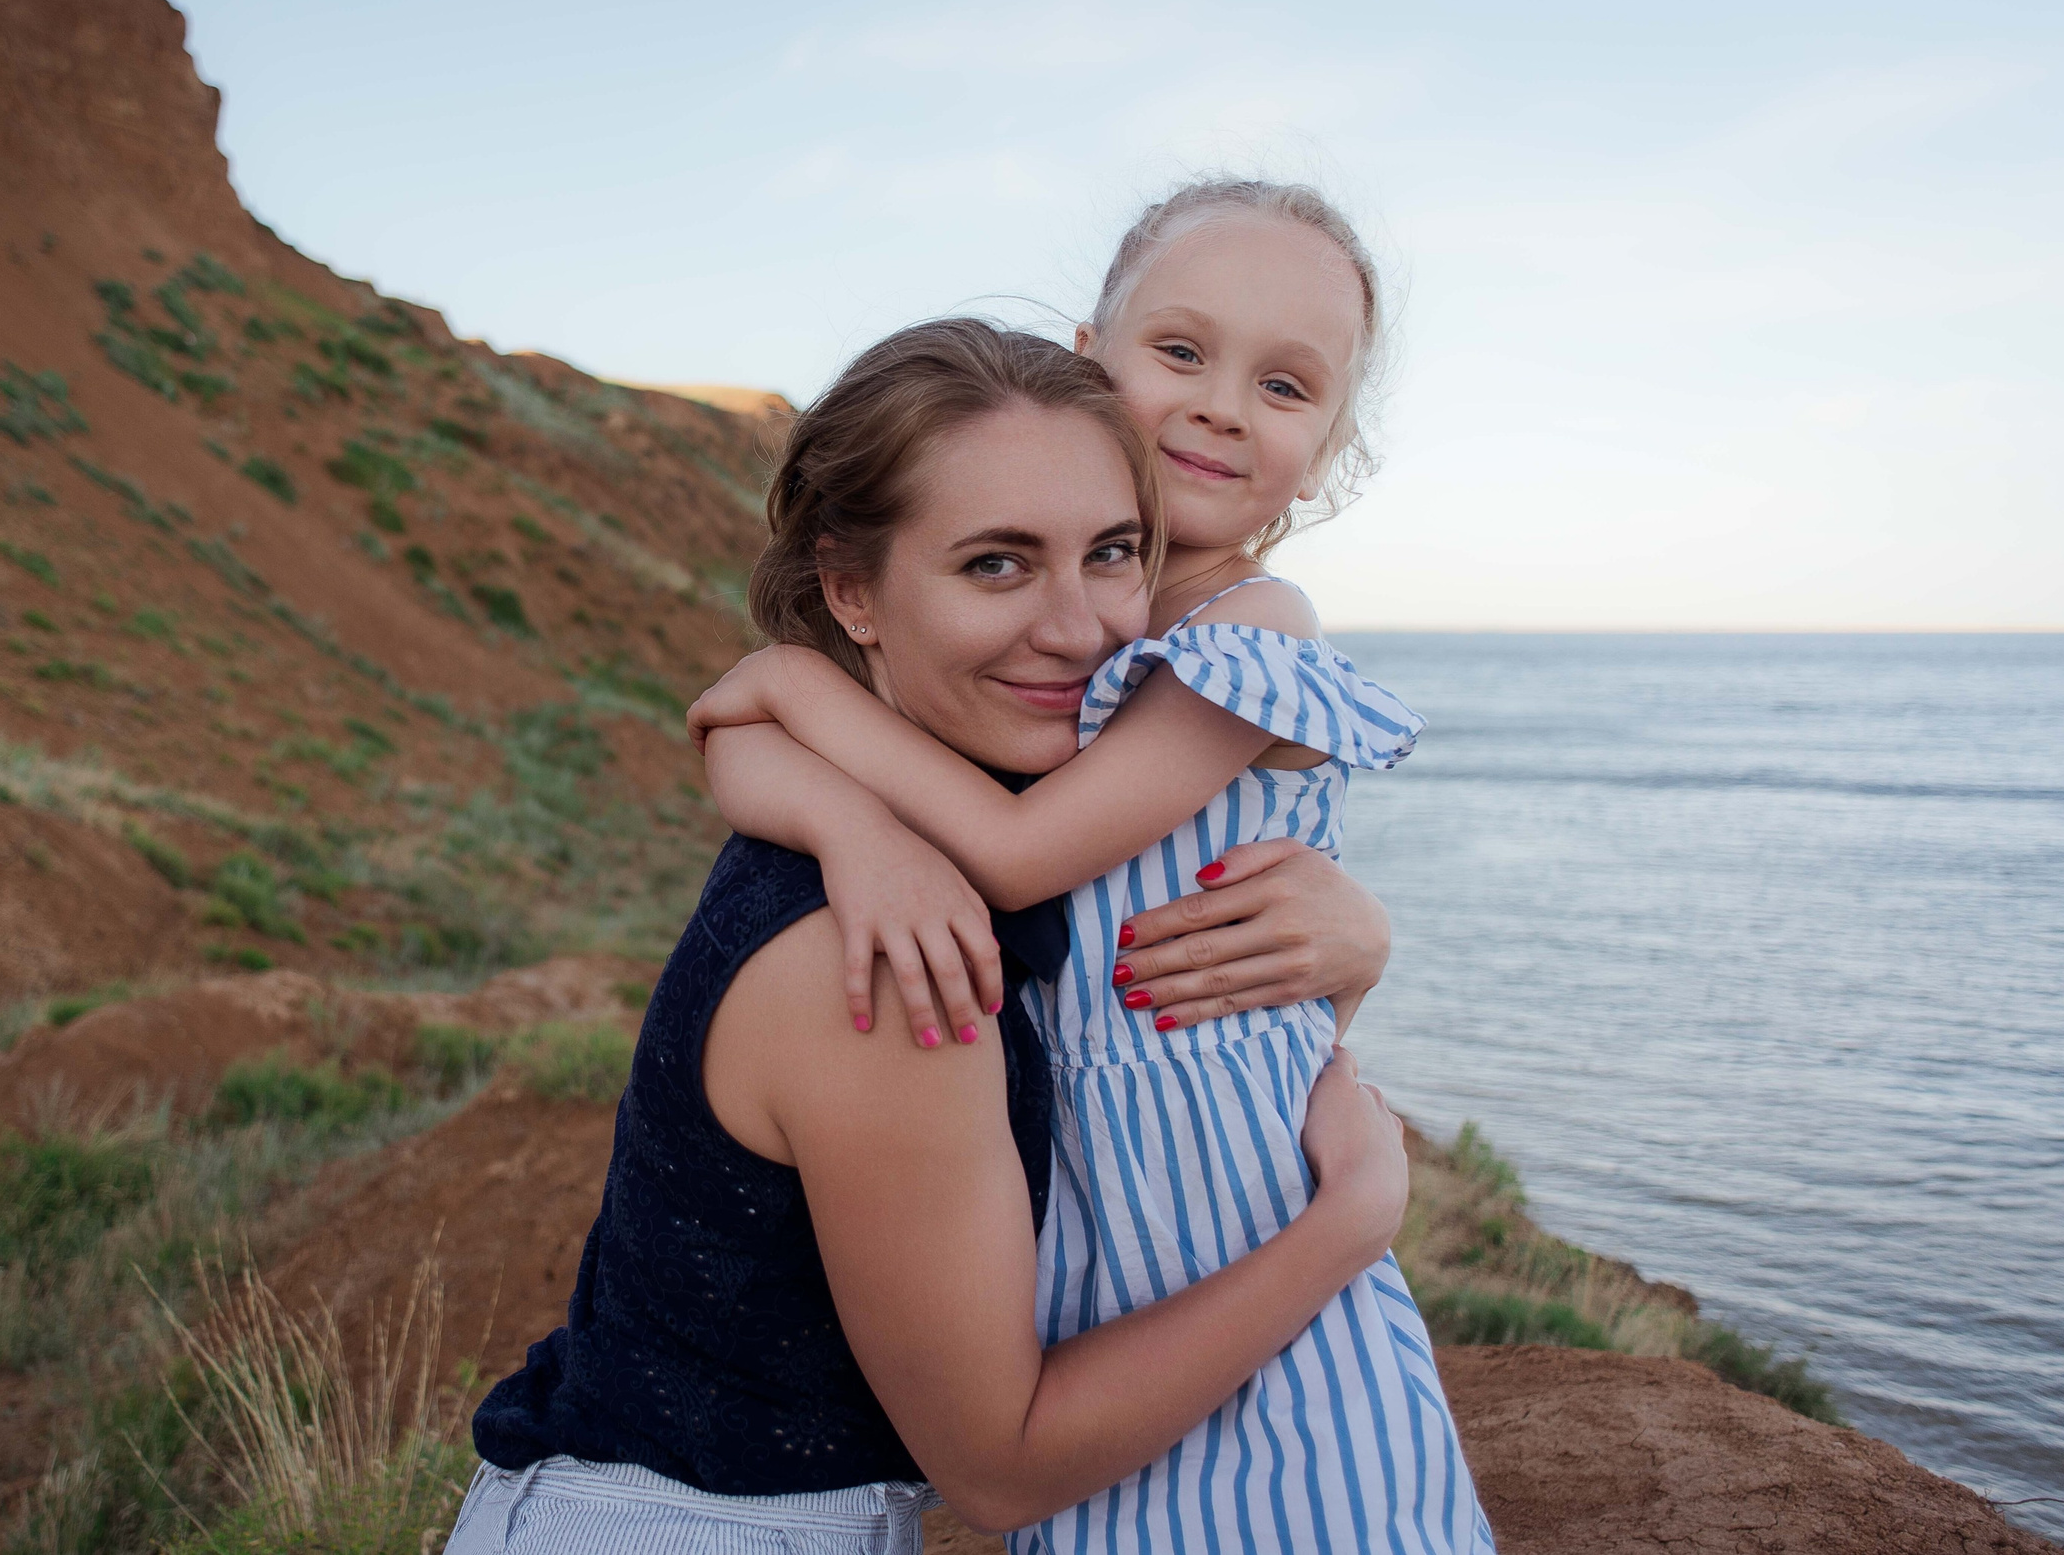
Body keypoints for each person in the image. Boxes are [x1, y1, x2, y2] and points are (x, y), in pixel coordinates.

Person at [456, 320, 1414, 1555]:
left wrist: (1354, 936)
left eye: (1112, 552)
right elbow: (1004, 1466)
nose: (1079, 631)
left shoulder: (935, 830)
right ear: (849, 589)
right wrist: (1346, 1223)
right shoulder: (893, 960)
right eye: (996, 566)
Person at [686, 181, 1495, 1552]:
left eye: (1285, 387)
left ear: (1329, 449)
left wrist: (782, 679)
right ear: (1087, 359)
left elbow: (1013, 855)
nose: (1224, 406)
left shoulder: (1247, 631)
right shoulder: (1060, 632)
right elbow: (736, 751)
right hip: (1085, 1263)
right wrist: (852, 826)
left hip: (1231, 1232)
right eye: (1181, 352)